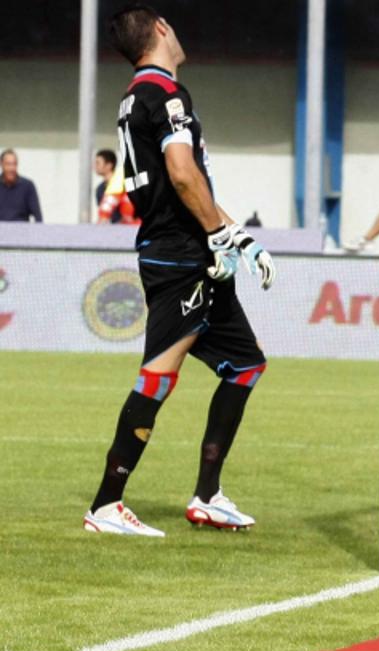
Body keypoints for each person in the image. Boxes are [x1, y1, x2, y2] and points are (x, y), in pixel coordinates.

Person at [83, 4, 276, 537]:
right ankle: (105, 504)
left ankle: (208, 495)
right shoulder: (166, 94)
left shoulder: (135, 96)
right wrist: (220, 235)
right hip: (180, 256)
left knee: (245, 365)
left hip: (194, 249)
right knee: (158, 375)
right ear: (162, 29)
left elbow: (190, 188)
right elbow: (183, 175)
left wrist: (239, 236)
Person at [94, 149, 138, 224]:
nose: (94, 166)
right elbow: (104, 216)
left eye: (98, 163)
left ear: (109, 165)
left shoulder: (126, 182)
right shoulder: (100, 189)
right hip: (114, 229)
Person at [0, 149, 42, 222]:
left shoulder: (28, 186)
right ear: (1, 164)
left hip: (21, 231)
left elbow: (38, 217)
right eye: (8, 164)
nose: (11, 168)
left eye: (14, 164)